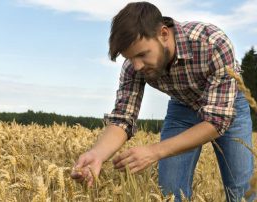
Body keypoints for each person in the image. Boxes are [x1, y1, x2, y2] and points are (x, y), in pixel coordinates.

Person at [70, 2, 255, 202]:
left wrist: (154, 151)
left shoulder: (212, 43)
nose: (137, 65)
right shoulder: (133, 66)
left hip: (228, 107)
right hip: (182, 107)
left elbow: (217, 121)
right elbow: (123, 118)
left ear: (164, 34)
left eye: (142, 54)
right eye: (130, 58)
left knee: (241, 191)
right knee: (170, 192)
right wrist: (97, 154)